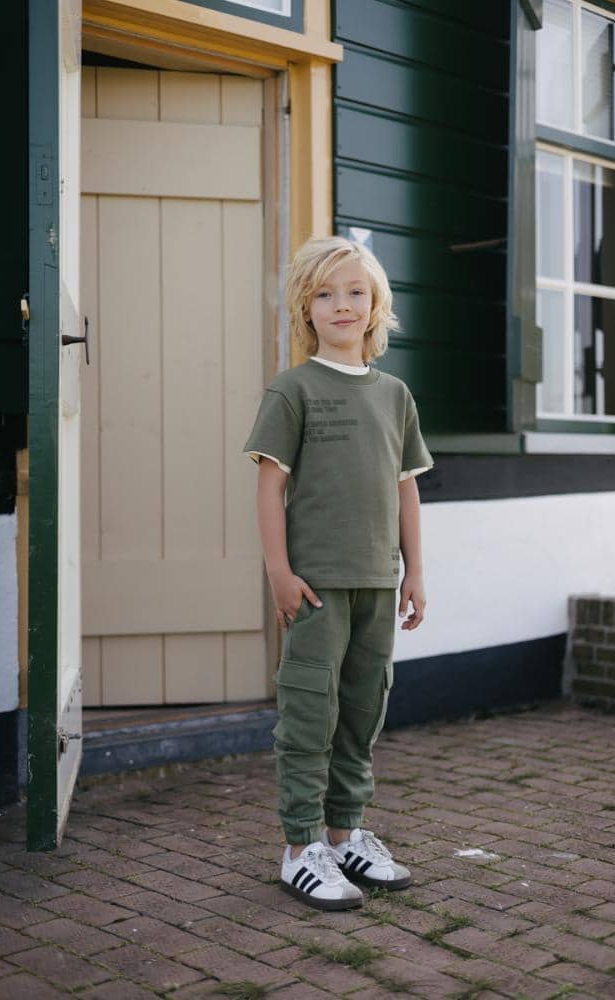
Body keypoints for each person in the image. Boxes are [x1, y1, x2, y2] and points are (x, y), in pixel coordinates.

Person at [241, 235, 433, 911]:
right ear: (306, 309)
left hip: (379, 582)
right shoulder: (293, 389)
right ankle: (300, 847)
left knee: (361, 711)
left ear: (376, 305)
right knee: (309, 713)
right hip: (316, 586)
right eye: (325, 294)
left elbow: (406, 489)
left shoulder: (395, 394)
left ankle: (345, 833)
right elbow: (270, 489)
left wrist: (414, 571)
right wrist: (278, 572)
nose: (342, 304)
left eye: (355, 292)